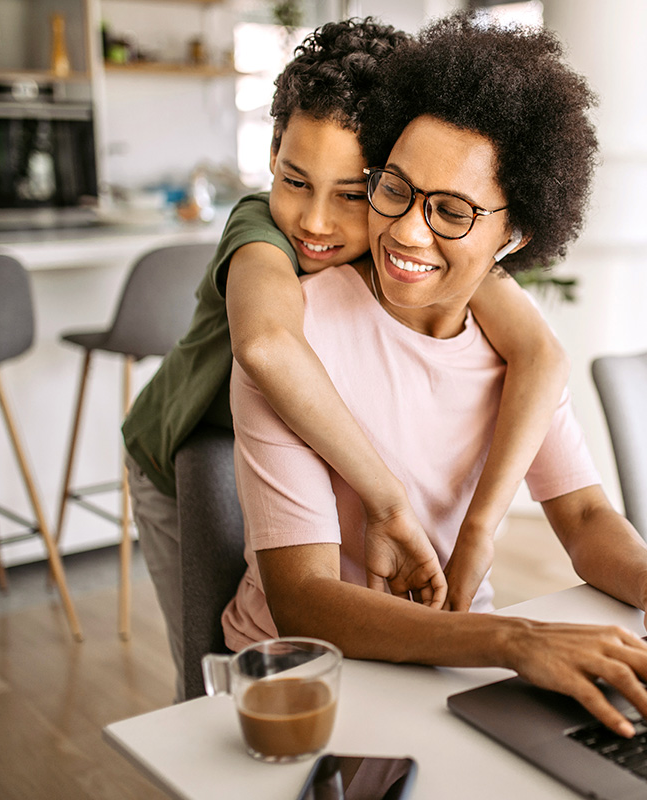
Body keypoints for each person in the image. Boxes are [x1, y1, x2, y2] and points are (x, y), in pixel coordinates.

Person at [223, 12, 647, 737]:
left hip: (450, 663)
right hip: (308, 685)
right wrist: (512, 640)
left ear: (515, 235)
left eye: (451, 212)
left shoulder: (516, 355)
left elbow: (586, 515)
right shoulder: (296, 337)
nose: (406, 231)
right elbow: (304, 601)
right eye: (394, 190)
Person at [122, 19, 570, 698]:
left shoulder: (405, 238)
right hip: (184, 451)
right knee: (215, 670)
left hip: (297, 454)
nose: (316, 223)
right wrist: (386, 497)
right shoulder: (259, 230)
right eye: (294, 181)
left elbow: (538, 349)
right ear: (272, 157)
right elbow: (269, 347)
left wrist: (476, 528)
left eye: (354, 194)